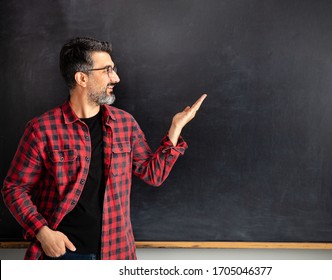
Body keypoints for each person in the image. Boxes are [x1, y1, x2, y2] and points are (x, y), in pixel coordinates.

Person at [2, 37, 207, 260]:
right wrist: (43, 233)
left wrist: (175, 128)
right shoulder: (42, 129)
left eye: (114, 69)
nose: (116, 78)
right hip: (61, 256)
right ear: (81, 78)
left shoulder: (125, 124)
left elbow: (153, 175)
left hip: (116, 252)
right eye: (107, 70)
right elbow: (14, 189)